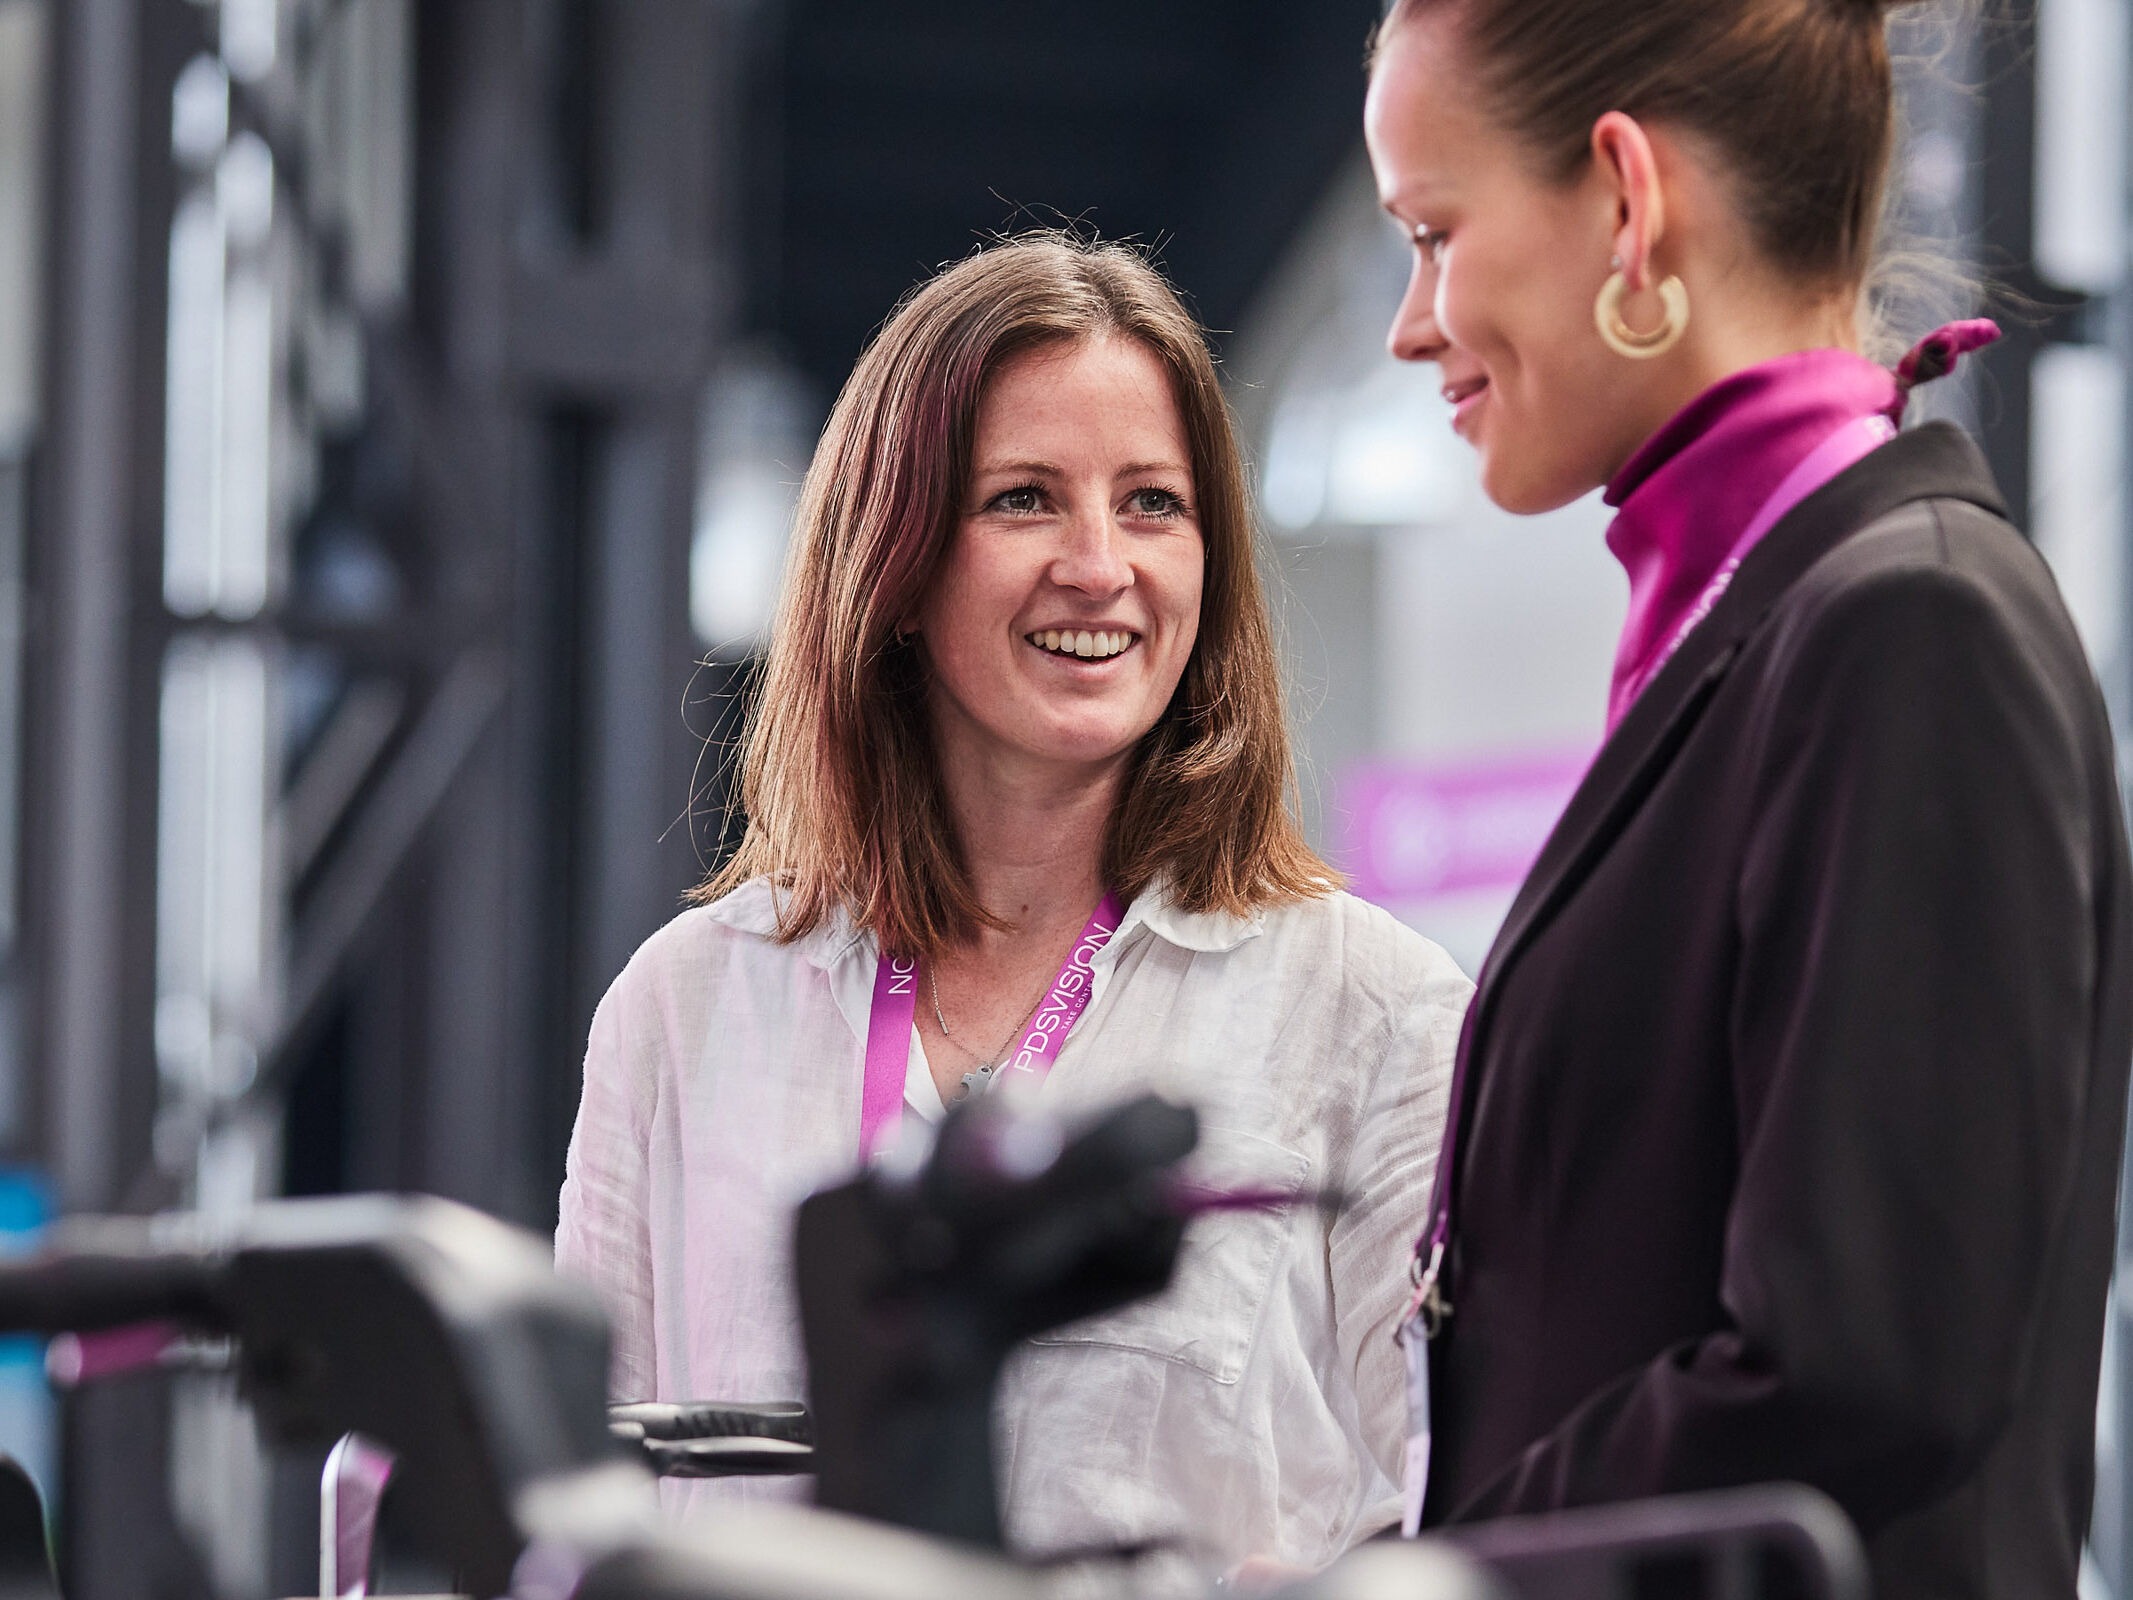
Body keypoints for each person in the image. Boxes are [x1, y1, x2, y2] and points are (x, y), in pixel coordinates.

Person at [554, 232, 1471, 1584]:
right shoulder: (685, 1005)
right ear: (897, 564)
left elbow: (1455, 1523)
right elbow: (581, 1518)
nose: (1099, 565)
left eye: (1152, 503)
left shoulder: (1375, 1014)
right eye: (1024, 499)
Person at [1363, 3, 2133, 1595]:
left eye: (1432, 235)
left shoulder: (1907, 626)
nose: (1410, 325)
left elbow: (1855, 1370)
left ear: (1626, 200)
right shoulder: (1773, 619)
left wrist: (1426, 1580)